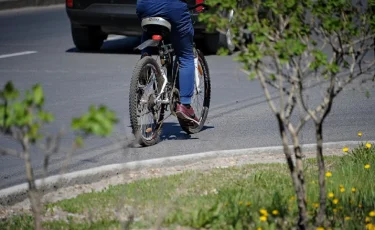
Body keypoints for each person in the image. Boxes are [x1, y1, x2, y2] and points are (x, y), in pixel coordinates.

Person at [136, 0, 200, 126]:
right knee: (185, 55)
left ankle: (145, 59)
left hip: (144, 6)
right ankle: (185, 105)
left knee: (149, 29)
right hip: (173, 7)